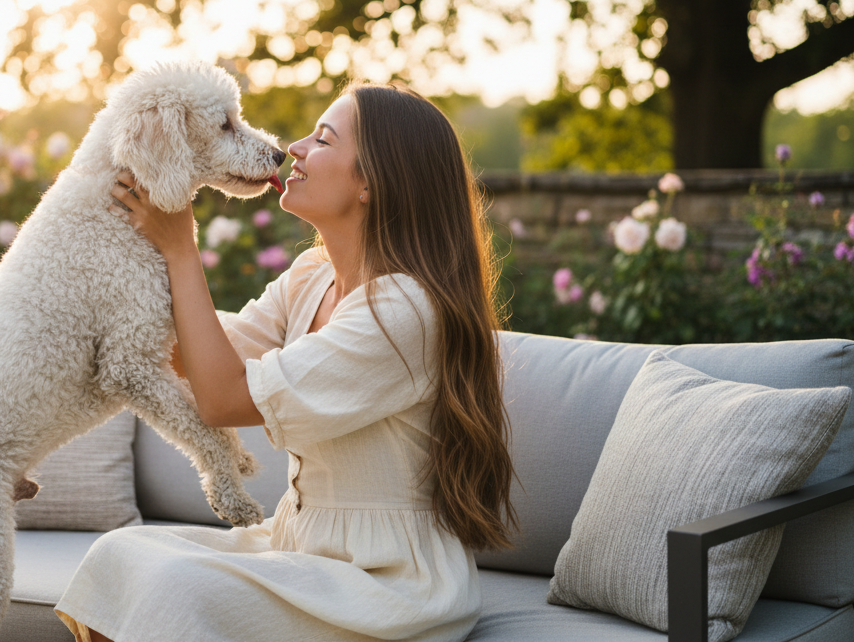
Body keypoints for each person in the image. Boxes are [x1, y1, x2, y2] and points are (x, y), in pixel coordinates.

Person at [54, 82, 516, 642]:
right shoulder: (311, 277)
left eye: (323, 139)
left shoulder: (405, 311)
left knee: (176, 585)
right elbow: (191, 358)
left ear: (371, 182)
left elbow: (222, 398)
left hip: (387, 580)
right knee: (120, 554)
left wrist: (180, 247)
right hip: (298, 546)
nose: (293, 148)